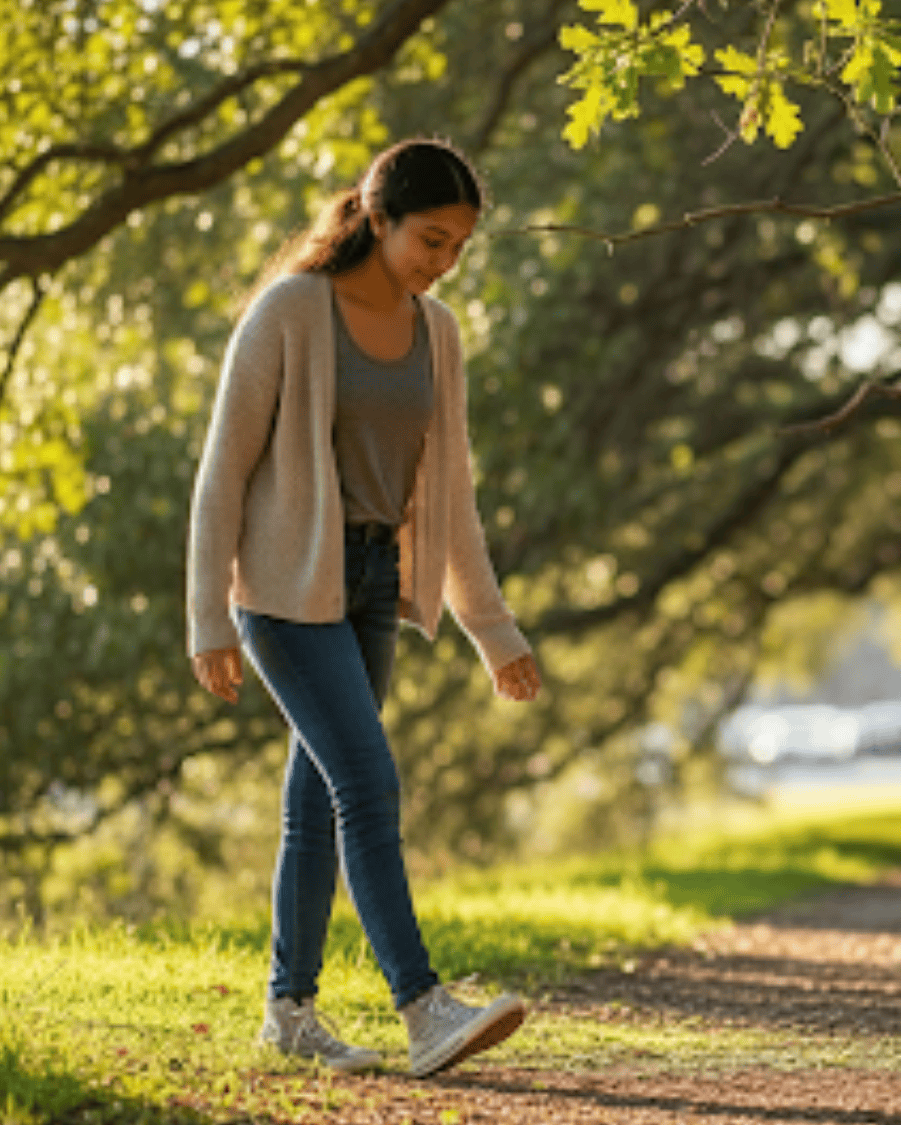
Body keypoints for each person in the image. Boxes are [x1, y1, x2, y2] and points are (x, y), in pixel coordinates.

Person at [186, 137, 542, 1079]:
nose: (442, 261)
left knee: (316, 799)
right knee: (368, 783)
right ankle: (423, 1006)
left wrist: (491, 629)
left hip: (375, 586)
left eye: (459, 246)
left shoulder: (439, 332)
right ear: (377, 217)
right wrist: (207, 617)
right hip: (286, 588)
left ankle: (288, 1011)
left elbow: (450, 493)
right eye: (430, 238)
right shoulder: (291, 311)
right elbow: (222, 471)